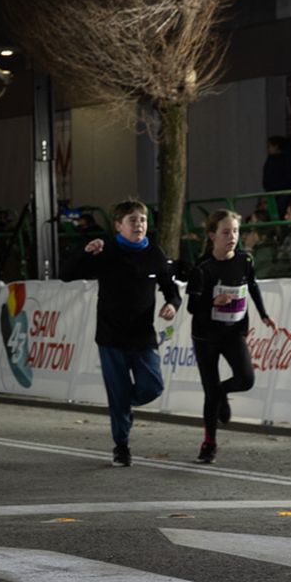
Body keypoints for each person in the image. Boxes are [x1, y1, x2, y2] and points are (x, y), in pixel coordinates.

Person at [61, 199, 180, 467]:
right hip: (111, 336)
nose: (139, 225)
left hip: (142, 335)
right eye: (133, 220)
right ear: (118, 225)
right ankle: (121, 446)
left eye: (143, 220)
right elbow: (66, 274)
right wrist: (85, 252)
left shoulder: (155, 254)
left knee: (153, 386)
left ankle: (125, 403)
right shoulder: (107, 250)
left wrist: (172, 304)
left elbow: (170, 289)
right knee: (117, 395)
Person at [186, 210, 276, 464]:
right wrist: (212, 301)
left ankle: (222, 392)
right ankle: (209, 443)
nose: (232, 237)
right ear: (213, 236)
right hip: (205, 336)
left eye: (235, 231)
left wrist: (264, 314)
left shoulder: (244, 261)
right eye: (226, 232)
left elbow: (253, 285)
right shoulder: (203, 268)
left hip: (233, 331)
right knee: (209, 392)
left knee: (246, 379)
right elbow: (192, 307)